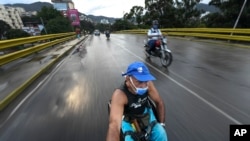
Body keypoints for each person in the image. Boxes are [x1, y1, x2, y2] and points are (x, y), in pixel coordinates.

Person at [106, 61, 168, 141]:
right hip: (129, 118)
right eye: (139, 81)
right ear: (128, 79)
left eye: (145, 81)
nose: (143, 86)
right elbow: (114, 126)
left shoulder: (148, 85)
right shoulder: (120, 95)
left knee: (161, 134)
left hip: (145, 113)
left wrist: (162, 124)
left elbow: (159, 102)